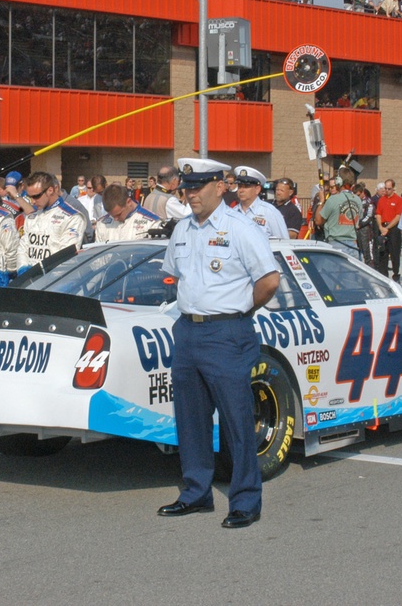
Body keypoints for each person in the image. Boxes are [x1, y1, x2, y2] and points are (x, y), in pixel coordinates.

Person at [158, 158, 279, 530]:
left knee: (236, 419)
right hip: (189, 330)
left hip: (228, 332)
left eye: (198, 187)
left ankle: (245, 499)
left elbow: (269, 281)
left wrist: (241, 310)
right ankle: (196, 492)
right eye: (186, 188)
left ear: (220, 186)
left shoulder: (240, 228)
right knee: (190, 420)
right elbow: (171, 276)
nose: (190, 194)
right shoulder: (182, 229)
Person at [17, 172, 86, 273]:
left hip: (55, 280)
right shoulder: (32, 217)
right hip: (30, 279)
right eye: (29, 197)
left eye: (36, 196)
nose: (32, 201)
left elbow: (65, 256)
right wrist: (23, 270)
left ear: (50, 190)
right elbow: (22, 248)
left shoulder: (72, 217)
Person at [313, 167, 362, 258]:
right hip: (353, 246)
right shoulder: (358, 200)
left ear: (339, 182)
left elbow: (318, 221)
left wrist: (321, 201)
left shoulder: (333, 199)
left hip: (336, 245)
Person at [231, 166, 289, 239]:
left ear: (257, 189)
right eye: (240, 186)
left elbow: (284, 243)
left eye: (246, 186)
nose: (241, 190)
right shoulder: (233, 212)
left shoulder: (270, 212)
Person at [94, 183, 160, 243]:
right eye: (112, 215)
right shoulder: (102, 224)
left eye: (119, 214)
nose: (115, 219)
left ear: (128, 202)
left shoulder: (152, 223)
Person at [375, 179, 402, 280]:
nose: (387, 191)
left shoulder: (398, 200)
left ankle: (396, 274)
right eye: (385, 189)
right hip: (383, 227)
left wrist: (387, 228)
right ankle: (383, 276)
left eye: (389, 189)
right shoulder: (381, 200)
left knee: (394, 253)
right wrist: (381, 227)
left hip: (393, 229)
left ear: (393, 188)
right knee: (382, 253)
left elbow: (398, 216)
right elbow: (378, 214)